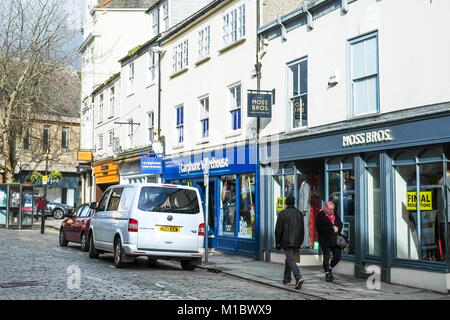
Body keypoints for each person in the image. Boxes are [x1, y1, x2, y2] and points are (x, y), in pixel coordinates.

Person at [275, 195, 305, 290]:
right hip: (296, 241)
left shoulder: (282, 213)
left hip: (286, 241)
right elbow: (302, 229)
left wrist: (277, 242)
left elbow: (278, 229)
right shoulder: (299, 213)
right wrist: (300, 241)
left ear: (286, 203)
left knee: (291, 260)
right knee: (290, 259)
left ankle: (298, 277)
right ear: (294, 202)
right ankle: (286, 279)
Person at [315, 200, 343, 282]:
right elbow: (319, 228)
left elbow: (340, 223)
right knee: (326, 257)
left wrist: (338, 228)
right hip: (325, 239)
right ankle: (327, 274)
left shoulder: (335, 214)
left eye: (332, 209)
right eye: (329, 209)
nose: (331, 211)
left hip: (335, 239)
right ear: (325, 208)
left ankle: (330, 268)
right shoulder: (320, 215)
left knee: (337, 256)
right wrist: (331, 228)